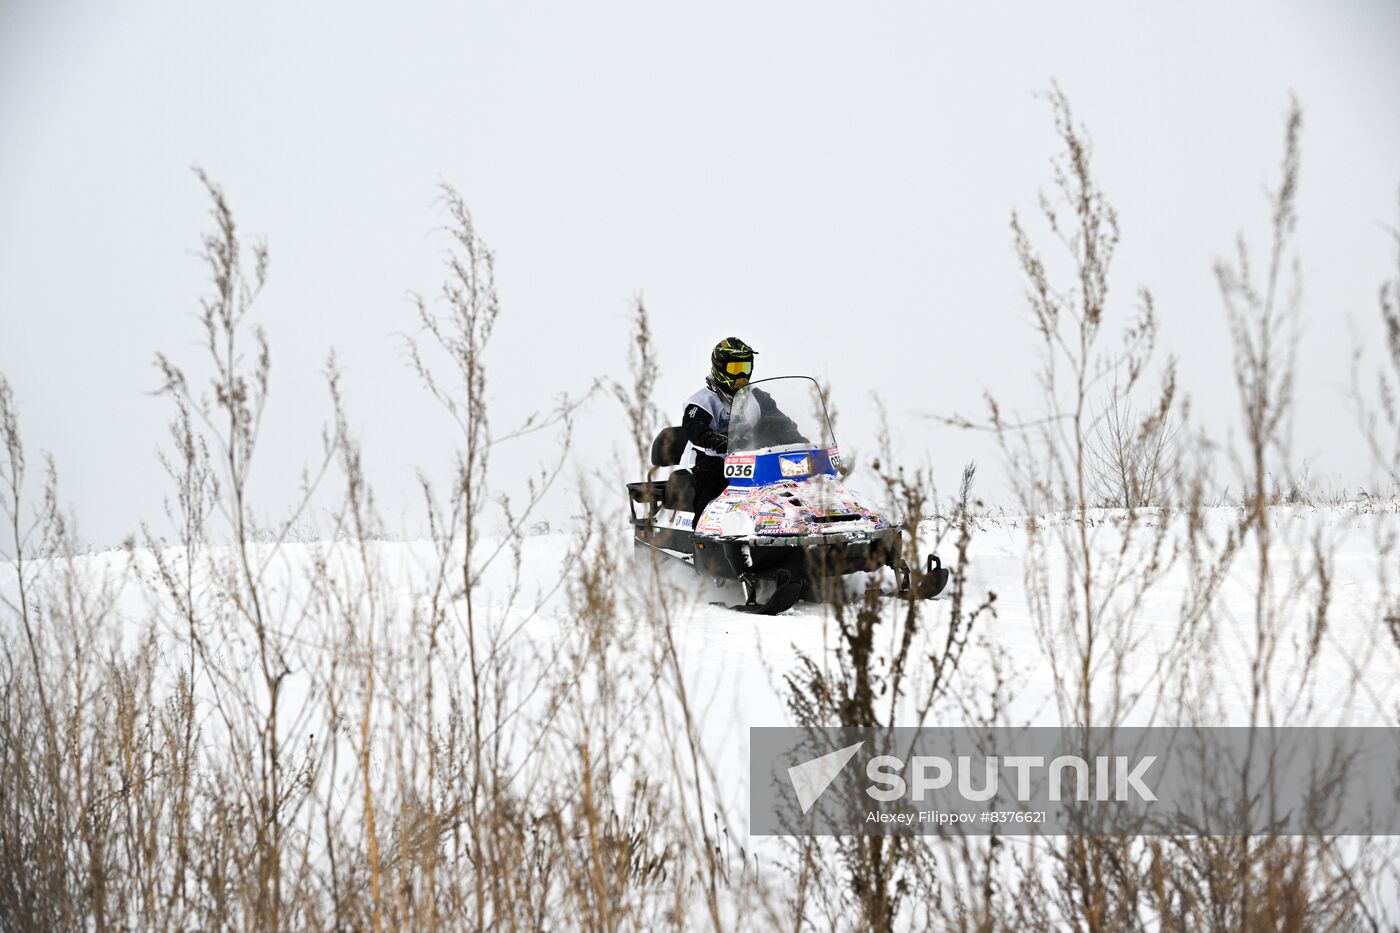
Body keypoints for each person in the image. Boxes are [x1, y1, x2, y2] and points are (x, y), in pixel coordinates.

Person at [679, 337, 755, 521]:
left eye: (745, 368)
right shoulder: (702, 401)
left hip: (748, 459)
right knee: (710, 479)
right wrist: (712, 439)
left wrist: (798, 438)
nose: (740, 376)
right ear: (720, 368)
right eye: (734, 369)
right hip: (710, 459)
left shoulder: (756, 398)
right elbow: (693, 426)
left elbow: (778, 420)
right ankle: (701, 533)